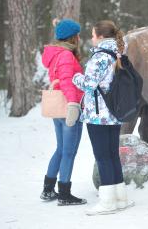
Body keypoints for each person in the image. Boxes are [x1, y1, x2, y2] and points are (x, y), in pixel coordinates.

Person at [73, 20, 132, 216]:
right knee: (112, 155)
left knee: (102, 156)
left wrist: (75, 77)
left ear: (100, 36)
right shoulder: (119, 53)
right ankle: (120, 198)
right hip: (114, 113)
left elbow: (89, 84)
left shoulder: (99, 57)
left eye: (92, 34)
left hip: (98, 115)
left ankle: (107, 202)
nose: (91, 38)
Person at [40, 18, 87, 206]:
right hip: (69, 108)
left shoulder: (56, 53)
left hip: (59, 108)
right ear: (73, 37)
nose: (79, 37)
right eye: (78, 34)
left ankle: (48, 189)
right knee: (69, 152)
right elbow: (67, 81)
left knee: (61, 149)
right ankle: (64, 194)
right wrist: (74, 105)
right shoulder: (66, 56)